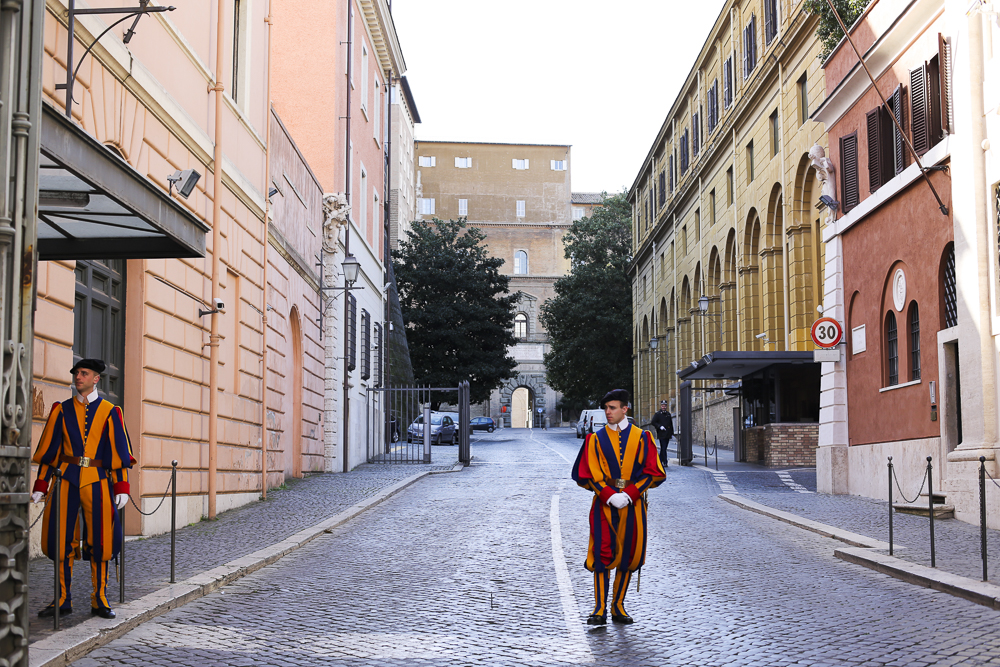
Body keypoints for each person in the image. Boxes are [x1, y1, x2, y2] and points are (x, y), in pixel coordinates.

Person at [31, 359, 135, 620]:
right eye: (76, 373)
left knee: (101, 541)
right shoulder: (61, 410)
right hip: (65, 478)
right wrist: (41, 485)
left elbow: (117, 453)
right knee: (60, 538)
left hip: (98, 480)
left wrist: (121, 485)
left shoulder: (111, 411)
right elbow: (50, 453)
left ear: (96, 378)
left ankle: (99, 598)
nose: (78, 377)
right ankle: (62, 599)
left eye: (84, 373)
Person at [572, 388, 665, 625]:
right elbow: (587, 473)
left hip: (633, 507)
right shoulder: (594, 439)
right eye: (605, 408)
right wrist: (608, 494)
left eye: (612, 408)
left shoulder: (643, 437)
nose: (607, 412)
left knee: (628, 556)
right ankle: (599, 608)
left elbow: (653, 472)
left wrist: (631, 494)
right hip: (604, 505)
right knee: (603, 555)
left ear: (625, 409)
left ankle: (618, 606)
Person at [649, 400, 674, 467]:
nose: (664, 407)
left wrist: (672, 433)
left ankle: (659, 461)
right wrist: (659, 426)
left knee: (664, 448)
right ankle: (665, 462)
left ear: (666, 406)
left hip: (667, 434)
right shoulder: (658, 414)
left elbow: (670, 424)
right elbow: (653, 422)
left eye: (665, 405)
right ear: (661, 406)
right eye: (662, 406)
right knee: (663, 448)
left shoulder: (668, 414)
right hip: (661, 434)